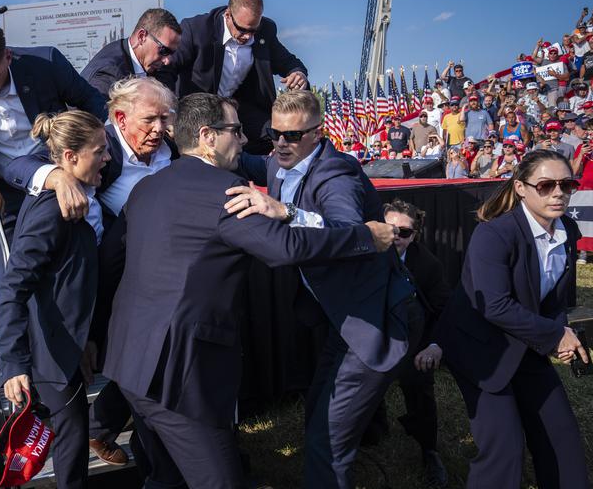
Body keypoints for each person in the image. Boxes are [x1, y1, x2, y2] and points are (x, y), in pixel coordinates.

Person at [103, 92, 397, 489]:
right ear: (208, 137)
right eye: (236, 131)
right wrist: (363, 236)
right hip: (178, 373)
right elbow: (286, 248)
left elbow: (111, 261)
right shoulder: (225, 192)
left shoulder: (146, 189)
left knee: (166, 478)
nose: (245, 141)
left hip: (129, 362)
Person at [3, 77, 266, 469]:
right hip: (103, 284)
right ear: (121, 118)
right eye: (151, 119)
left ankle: (148, 452)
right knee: (138, 372)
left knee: (150, 371)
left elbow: (241, 158)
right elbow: (19, 164)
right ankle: (135, 446)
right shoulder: (98, 148)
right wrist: (56, 178)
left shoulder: (175, 147)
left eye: (167, 118)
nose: (161, 128)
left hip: (156, 283)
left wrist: (291, 160)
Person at [226, 91, 420, 488]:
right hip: (340, 318)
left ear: (318, 133)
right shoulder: (281, 163)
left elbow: (350, 233)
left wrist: (288, 212)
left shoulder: (336, 176)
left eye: (292, 136)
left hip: (374, 320)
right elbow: (240, 159)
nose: (280, 142)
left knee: (326, 438)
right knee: (320, 411)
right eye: (273, 133)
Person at [436, 150, 590, 489]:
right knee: (504, 451)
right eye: (547, 185)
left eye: (567, 184)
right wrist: (554, 336)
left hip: (528, 344)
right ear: (521, 188)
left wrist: (559, 330)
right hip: (480, 351)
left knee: (563, 444)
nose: (559, 193)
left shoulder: (569, 230)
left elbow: (558, 300)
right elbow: (494, 305)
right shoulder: (495, 233)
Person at [0, 21, 107, 281]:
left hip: (62, 178)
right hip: (3, 192)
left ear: (8, 57)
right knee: (8, 279)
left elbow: (93, 104)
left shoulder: (46, 63)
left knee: (70, 270)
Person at [0, 110, 110, 489]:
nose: (107, 158)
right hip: (50, 352)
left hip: (70, 345)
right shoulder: (51, 211)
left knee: (74, 444)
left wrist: (87, 338)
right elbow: (13, 285)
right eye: (100, 151)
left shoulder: (81, 195)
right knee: (71, 449)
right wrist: (13, 362)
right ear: (70, 158)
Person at [163, 0, 309, 154]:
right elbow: (167, 68)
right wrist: (170, 110)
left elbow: (289, 62)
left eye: (253, 30)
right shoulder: (196, 29)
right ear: (227, 15)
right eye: (242, 29)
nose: (248, 36)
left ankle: (251, 169)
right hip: (196, 108)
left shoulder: (266, 31)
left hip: (236, 107)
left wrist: (298, 73)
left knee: (273, 134)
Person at [383, 200, 450, 488]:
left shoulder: (428, 264)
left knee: (420, 387)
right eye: (389, 229)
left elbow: (444, 309)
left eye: (404, 232)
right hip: (370, 337)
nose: (395, 236)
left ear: (415, 235)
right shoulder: (362, 254)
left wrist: (434, 345)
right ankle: (367, 434)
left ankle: (429, 449)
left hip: (414, 340)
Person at [81, 8, 181, 97]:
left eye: (172, 53)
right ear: (142, 37)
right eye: (164, 50)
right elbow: (93, 117)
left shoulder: (154, 67)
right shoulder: (108, 74)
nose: (167, 60)